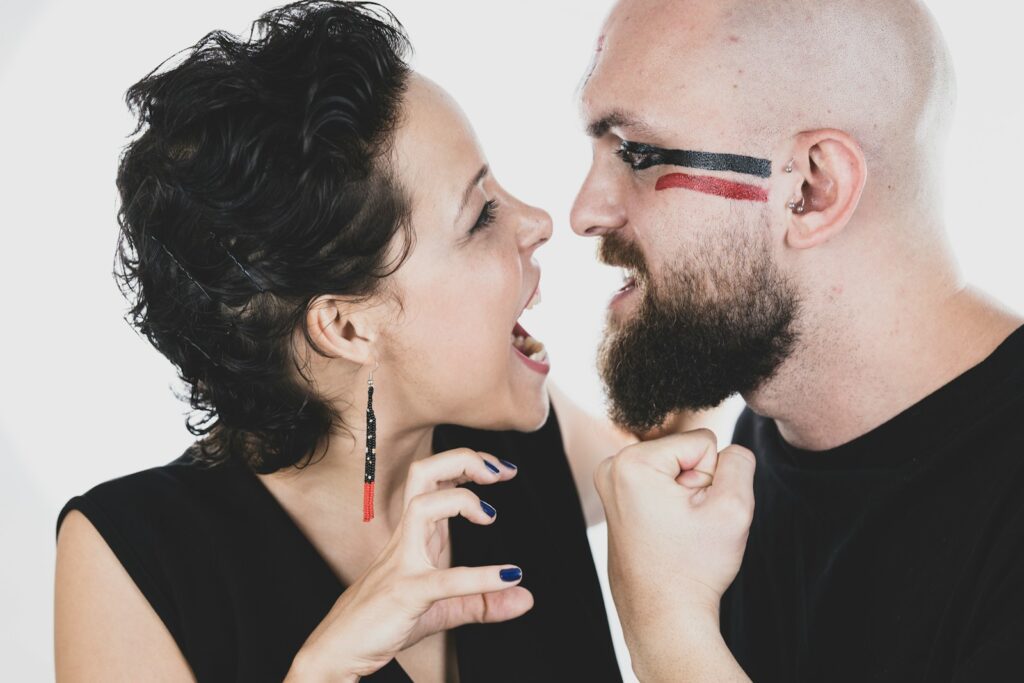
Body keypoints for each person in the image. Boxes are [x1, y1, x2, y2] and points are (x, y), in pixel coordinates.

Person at [53, 2, 671, 680]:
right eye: (480, 214)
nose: (541, 220)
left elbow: (671, 472)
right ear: (346, 325)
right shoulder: (133, 558)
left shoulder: (522, 438)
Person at [573, 0, 1024, 681]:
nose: (586, 211)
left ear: (811, 189)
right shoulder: (756, 445)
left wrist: (669, 635)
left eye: (636, 154)